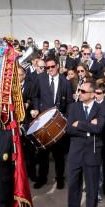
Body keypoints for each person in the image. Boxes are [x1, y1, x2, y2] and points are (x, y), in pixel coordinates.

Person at [61, 80, 105, 207]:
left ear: (93, 94)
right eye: (79, 90)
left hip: (92, 152)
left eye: (83, 91)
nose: (79, 93)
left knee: (92, 186)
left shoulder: (101, 108)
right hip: (75, 152)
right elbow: (68, 129)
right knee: (73, 185)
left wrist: (79, 124)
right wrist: (89, 126)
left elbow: (99, 128)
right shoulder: (73, 107)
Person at [30, 56, 72, 190]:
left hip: (59, 122)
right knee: (43, 153)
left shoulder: (65, 82)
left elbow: (70, 102)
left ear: (58, 66)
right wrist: (36, 108)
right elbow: (35, 96)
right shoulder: (40, 78)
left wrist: (65, 118)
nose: (50, 69)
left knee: (59, 154)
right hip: (43, 120)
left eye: (52, 67)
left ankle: (60, 178)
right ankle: (42, 178)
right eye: (47, 67)